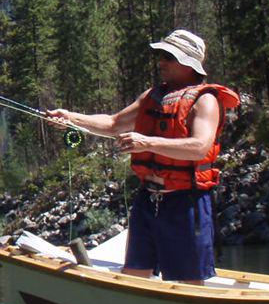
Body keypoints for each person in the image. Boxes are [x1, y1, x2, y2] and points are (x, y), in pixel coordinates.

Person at [46, 29, 240, 284]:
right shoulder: (152, 96)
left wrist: (146, 142)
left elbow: (199, 147)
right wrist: (71, 118)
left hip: (186, 203)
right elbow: (114, 123)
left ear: (188, 63)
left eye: (168, 57)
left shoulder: (205, 101)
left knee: (189, 281)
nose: (161, 62)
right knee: (135, 274)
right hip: (148, 202)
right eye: (161, 55)